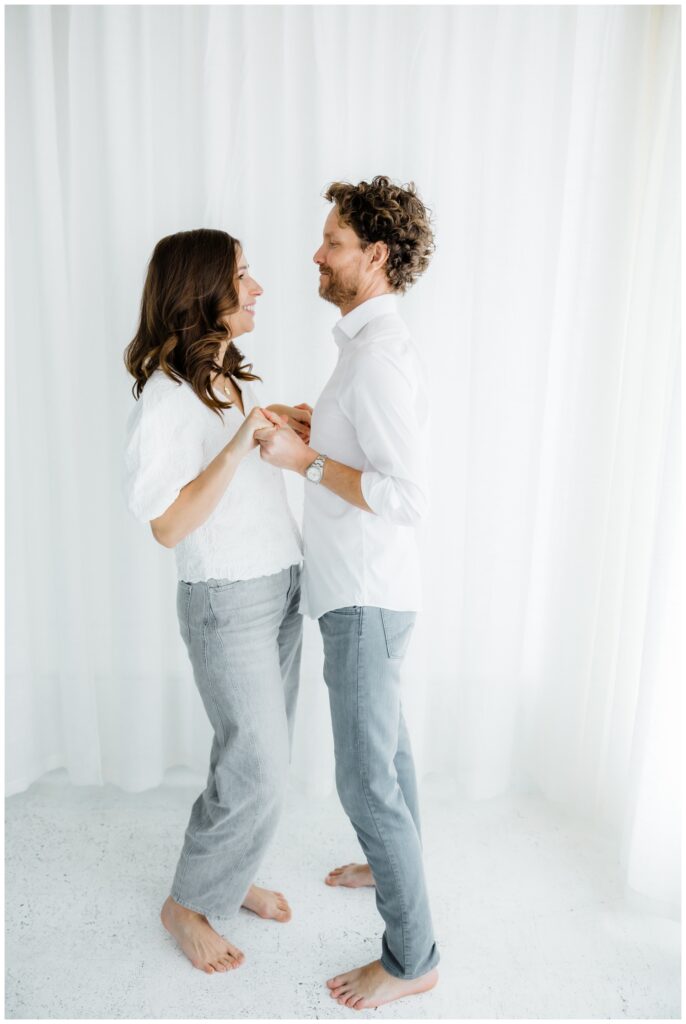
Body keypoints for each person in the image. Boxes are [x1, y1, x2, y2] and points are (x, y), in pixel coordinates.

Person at [255, 176, 439, 1010]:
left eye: (332, 242)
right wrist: (312, 426)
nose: (316, 253)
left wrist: (306, 462)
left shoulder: (377, 358)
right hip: (368, 595)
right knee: (389, 764)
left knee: (366, 783)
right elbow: (359, 445)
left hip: (364, 599)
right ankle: (387, 863)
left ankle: (413, 959)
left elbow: (408, 495)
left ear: (376, 255)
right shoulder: (362, 353)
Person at [123, 228, 310, 975]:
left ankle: (226, 882)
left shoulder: (231, 379)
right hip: (226, 600)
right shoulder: (167, 397)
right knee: (256, 763)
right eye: (242, 276)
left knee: (261, 760)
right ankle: (186, 904)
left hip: (280, 583)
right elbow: (168, 524)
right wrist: (237, 446)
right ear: (204, 291)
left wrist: (280, 420)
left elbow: (250, 471)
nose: (258, 288)